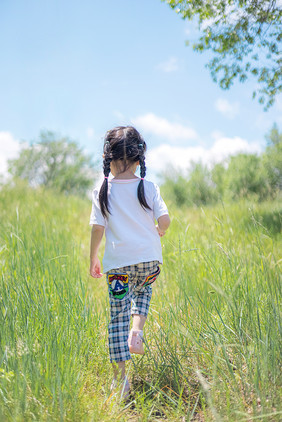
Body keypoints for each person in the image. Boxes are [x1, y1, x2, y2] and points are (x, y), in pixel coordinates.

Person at [89, 126, 170, 399]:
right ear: (138, 159)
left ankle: (121, 381)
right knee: (144, 291)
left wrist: (93, 258)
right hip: (149, 262)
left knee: (117, 318)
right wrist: (160, 231)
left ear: (108, 158)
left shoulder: (103, 189)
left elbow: (97, 229)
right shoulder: (148, 187)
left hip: (118, 267)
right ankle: (137, 331)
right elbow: (165, 221)